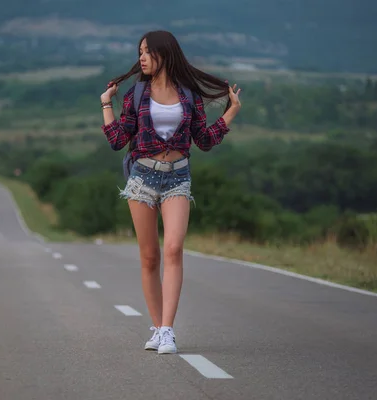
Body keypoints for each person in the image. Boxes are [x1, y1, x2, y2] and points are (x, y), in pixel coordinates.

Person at [99, 30, 242, 354]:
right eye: (140, 52)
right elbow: (117, 140)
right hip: (142, 177)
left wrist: (231, 111)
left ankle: (167, 330)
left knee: (174, 249)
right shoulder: (135, 94)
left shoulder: (189, 95)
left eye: (147, 51)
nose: (142, 58)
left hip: (178, 177)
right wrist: (107, 105)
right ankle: (156, 326)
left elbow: (203, 141)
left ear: (165, 53)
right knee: (150, 257)